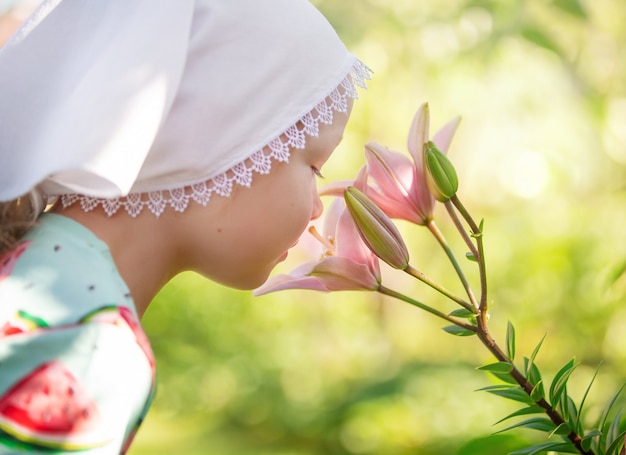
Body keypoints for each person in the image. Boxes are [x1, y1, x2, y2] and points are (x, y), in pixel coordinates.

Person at [0, 0, 371, 453]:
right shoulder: (89, 342)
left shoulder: (34, 271)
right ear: (226, 145)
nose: (318, 207)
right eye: (314, 165)